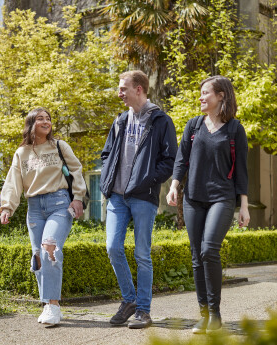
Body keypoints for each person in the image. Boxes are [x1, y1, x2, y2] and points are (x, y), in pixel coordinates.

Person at [166, 75, 250, 334]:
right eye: (200, 93)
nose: (201, 97)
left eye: (206, 93)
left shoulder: (235, 129)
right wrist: (174, 186)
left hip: (222, 198)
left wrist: (243, 206)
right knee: (196, 255)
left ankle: (215, 314)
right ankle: (204, 314)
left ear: (221, 95)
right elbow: (181, 160)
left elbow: (242, 172)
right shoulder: (193, 126)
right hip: (193, 198)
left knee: (208, 250)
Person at [100, 70, 178, 329]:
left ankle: (143, 310)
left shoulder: (160, 121)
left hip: (143, 196)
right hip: (117, 197)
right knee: (113, 247)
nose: (119, 93)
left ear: (139, 89)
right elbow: (106, 154)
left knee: (142, 253)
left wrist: (146, 179)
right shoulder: (120, 120)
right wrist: (108, 180)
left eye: (123, 88)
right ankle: (129, 300)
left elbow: (169, 161)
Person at [0, 107, 86, 326]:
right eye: (40, 119)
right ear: (31, 124)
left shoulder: (59, 146)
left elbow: (76, 171)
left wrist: (77, 197)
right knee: (38, 256)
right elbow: (13, 182)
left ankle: (53, 306)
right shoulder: (21, 153)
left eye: (48, 118)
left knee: (50, 247)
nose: (46, 122)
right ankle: (47, 303)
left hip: (59, 203)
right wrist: (7, 207)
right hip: (35, 207)